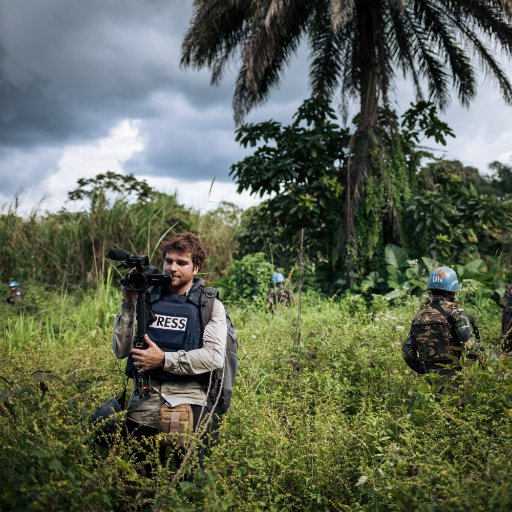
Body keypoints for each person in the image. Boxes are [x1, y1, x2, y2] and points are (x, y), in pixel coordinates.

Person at [111, 232, 227, 470]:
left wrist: (163, 359)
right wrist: (129, 301)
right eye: (168, 261)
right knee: (135, 476)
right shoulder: (146, 297)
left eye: (181, 263)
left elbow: (214, 356)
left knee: (182, 477)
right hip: (142, 404)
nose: (173, 268)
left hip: (186, 404)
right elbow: (121, 350)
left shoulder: (209, 305)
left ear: (196, 268)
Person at [402, 266, 479, 378]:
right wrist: (475, 365)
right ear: (452, 290)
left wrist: (423, 369)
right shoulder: (456, 312)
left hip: (429, 378)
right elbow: (471, 346)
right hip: (452, 376)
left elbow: (407, 352)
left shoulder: (420, 315)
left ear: (431, 290)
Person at [500, 284, 512, 352]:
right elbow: (503, 302)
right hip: (508, 314)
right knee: (506, 332)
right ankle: (504, 348)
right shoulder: (509, 289)